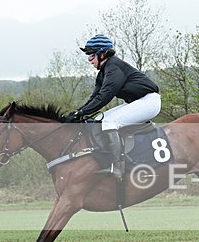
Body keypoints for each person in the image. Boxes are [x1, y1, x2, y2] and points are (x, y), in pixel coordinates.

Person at [63, 34, 161, 179]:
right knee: (98, 120)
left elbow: (104, 97)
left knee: (109, 122)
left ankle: (118, 166)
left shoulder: (114, 67)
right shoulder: (102, 74)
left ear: (102, 54)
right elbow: (94, 98)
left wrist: (81, 113)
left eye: (91, 56)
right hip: (138, 102)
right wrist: (78, 113)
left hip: (149, 102)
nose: (89, 60)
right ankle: (106, 159)